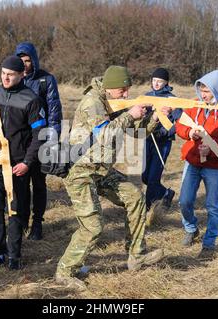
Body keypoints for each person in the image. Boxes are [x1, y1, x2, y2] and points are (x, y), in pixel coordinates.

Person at [55, 66, 168, 290]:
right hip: (81, 173)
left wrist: (155, 117)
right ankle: (65, 272)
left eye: (128, 91)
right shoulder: (93, 103)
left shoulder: (111, 100)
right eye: (122, 91)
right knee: (93, 226)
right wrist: (129, 115)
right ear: (110, 88)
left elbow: (138, 132)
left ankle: (136, 255)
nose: (126, 95)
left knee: (135, 197)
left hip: (101, 170)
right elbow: (105, 134)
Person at [0, 56, 46, 270]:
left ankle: (14, 256)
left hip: (18, 165)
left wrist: (27, 162)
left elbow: (40, 134)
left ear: (22, 75)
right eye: (3, 73)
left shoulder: (31, 99)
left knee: (15, 210)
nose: (5, 78)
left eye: (11, 75)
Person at [176, 70, 218, 259]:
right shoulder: (194, 106)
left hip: (213, 167)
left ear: (216, 89)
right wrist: (190, 133)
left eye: (207, 91)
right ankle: (191, 228)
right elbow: (180, 125)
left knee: (212, 205)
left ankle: (209, 243)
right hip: (192, 161)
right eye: (201, 90)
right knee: (184, 201)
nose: (203, 95)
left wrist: (213, 149)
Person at [15, 42, 63, 240]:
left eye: (27, 61)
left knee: (39, 182)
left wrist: (52, 138)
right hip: (21, 140)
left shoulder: (46, 80)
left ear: (33, 60)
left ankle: (37, 222)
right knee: (22, 183)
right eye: (21, 61)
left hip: (42, 138)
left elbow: (54, 110)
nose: (24, 64)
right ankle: (22, 220)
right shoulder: (15, 80)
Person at [142, 68, 182, 226]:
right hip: (148, 139)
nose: (156, 83)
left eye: (159, 81)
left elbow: (179, 120)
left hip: (163, 142)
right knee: (145, 176)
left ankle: (147, 209)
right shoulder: (147, 96)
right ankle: (166, 193)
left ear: (166, 82)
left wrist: (167, 131)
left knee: (152, 178)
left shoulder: (172, 99)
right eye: (154, 80)